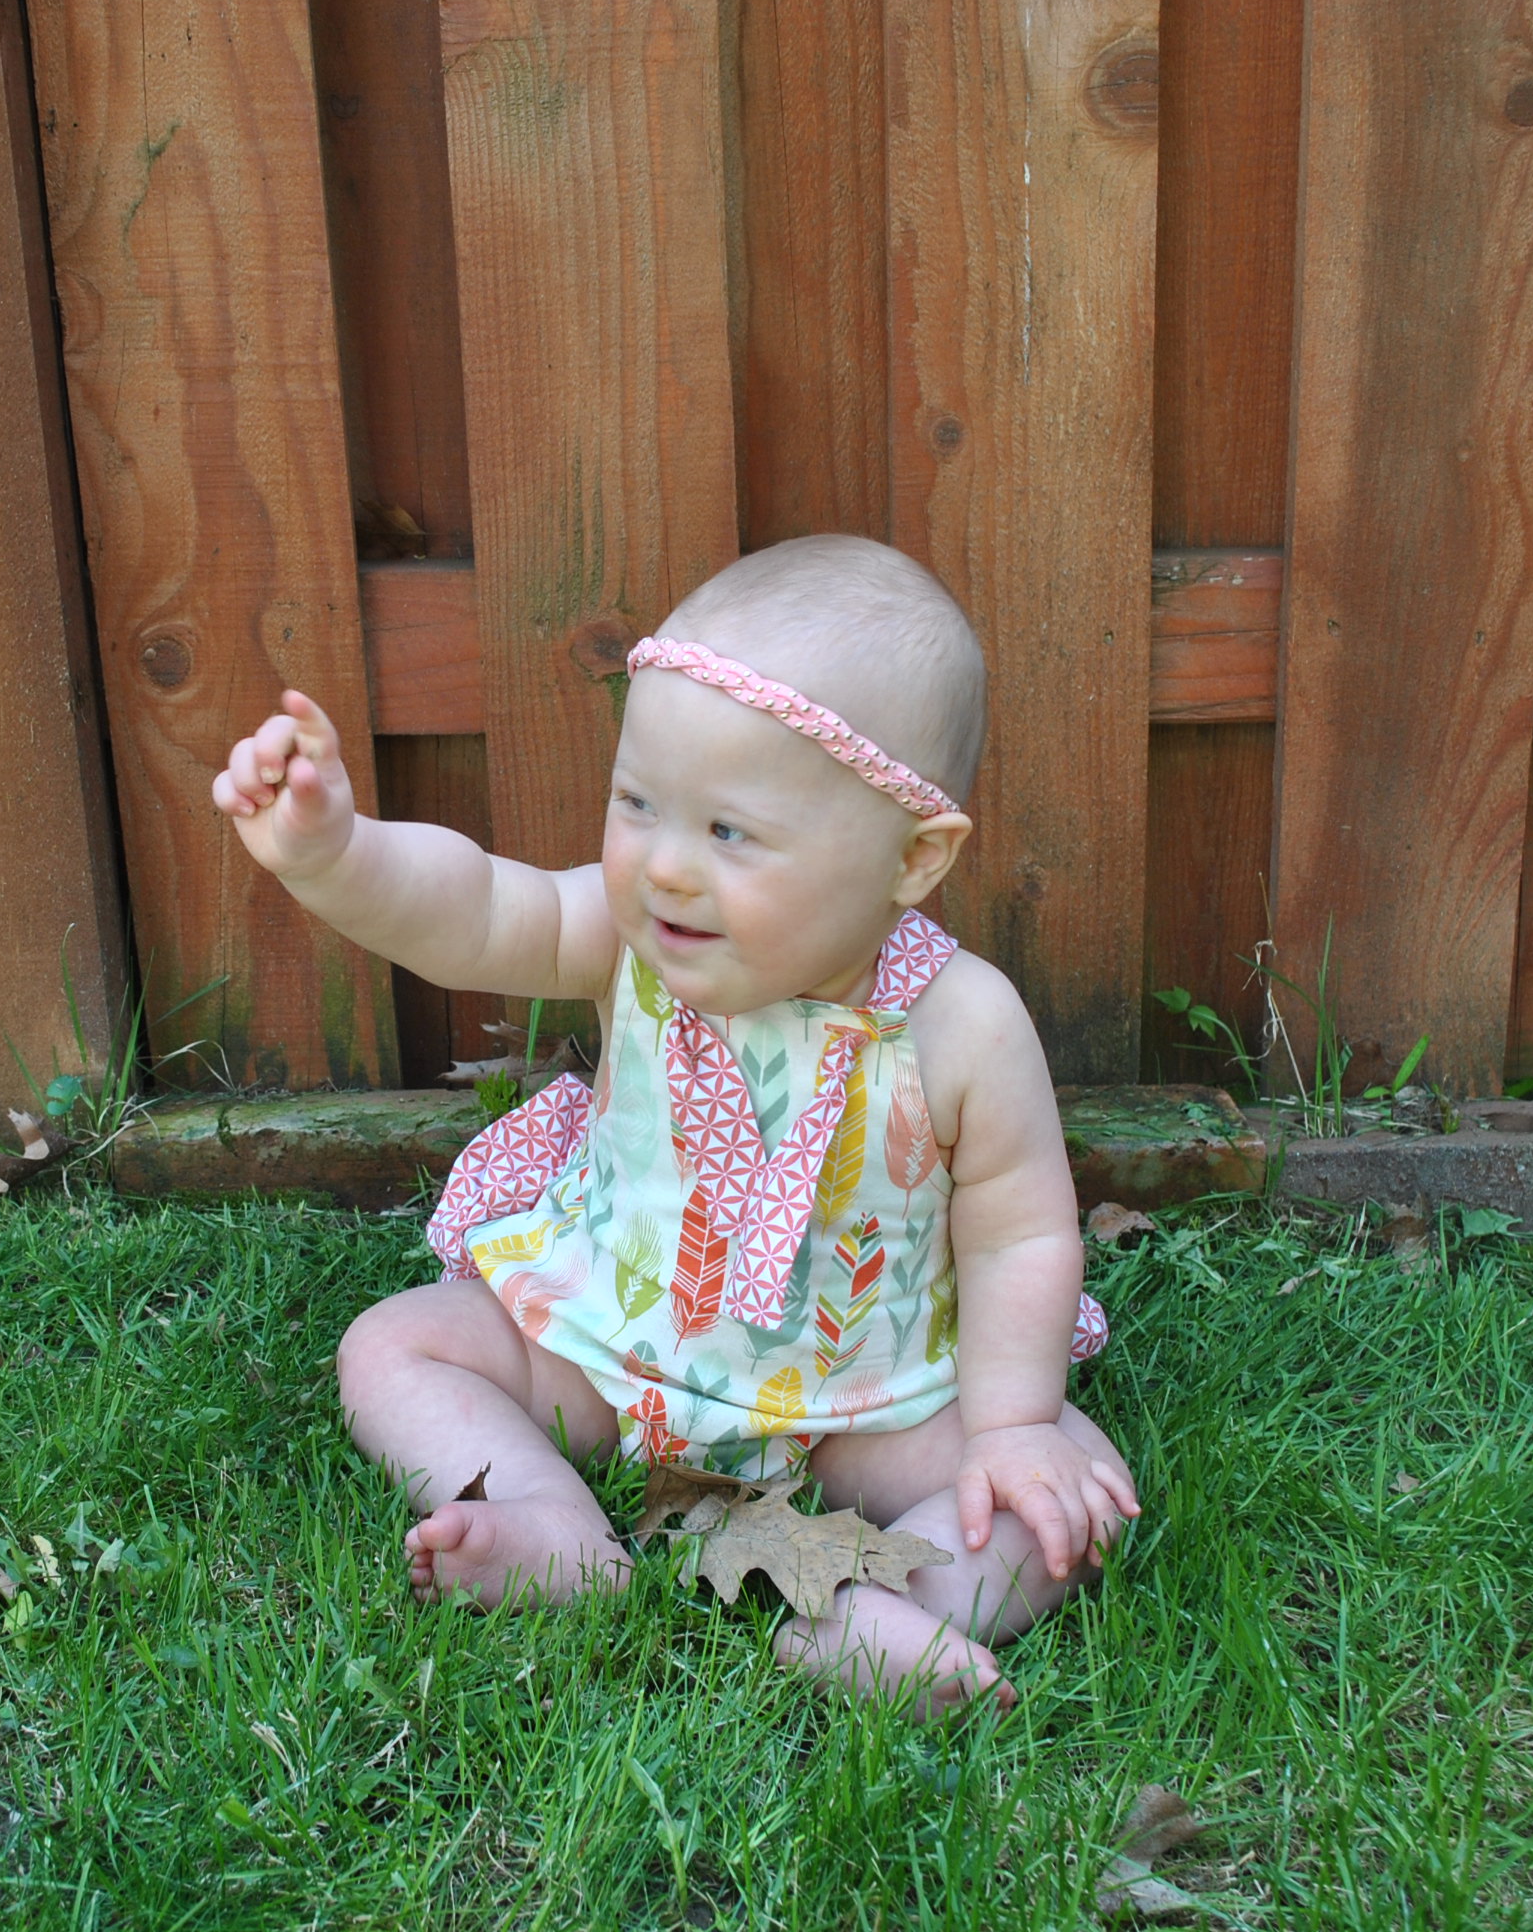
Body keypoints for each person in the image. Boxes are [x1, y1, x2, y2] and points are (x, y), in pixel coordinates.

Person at [212, 535, 1139, 1712]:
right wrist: (337, 855)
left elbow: (1018, 1235)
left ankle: (888, 1612)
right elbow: (474, 909)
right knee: (393, 1345)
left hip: (863, 1404)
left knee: (1074, 1482)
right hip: (609, 1348)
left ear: (911, 858)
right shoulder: (621, 940)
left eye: (729, 832)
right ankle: (547, 1519)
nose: (664, 868)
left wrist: (1007, 1428)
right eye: (639, 804)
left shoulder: (963, 1024)